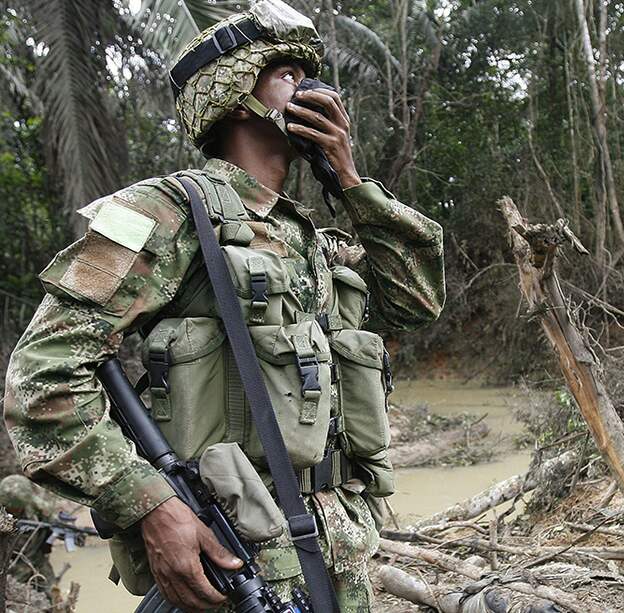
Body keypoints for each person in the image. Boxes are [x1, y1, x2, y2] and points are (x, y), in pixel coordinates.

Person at [3, 1, 445, 610]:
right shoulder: (163, 212)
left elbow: (415, 304)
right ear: (237, 96)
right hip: (233, 553)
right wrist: (152, 505)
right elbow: (40, 378)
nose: (315, 91)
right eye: (288, 74)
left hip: (338, 552)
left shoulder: (314, 240)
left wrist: (350, 180)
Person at [0, 474, 57, 588]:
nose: (18, 510)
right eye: (14, 508)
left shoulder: (35, 505)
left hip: (36, 557)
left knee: (51, 589)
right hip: (10, 564)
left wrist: (53, 535)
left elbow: (52, 521)